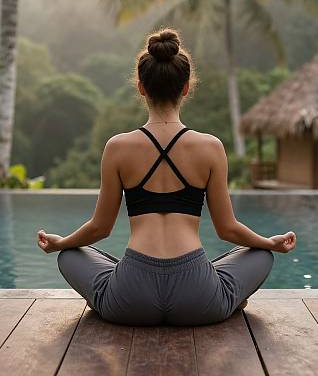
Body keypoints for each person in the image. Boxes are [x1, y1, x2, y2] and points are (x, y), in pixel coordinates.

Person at [37, 28, 296, 326]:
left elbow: (100, 228)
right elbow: (228, 230)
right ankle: (226, 299)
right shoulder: (210, 148)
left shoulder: (117, 148)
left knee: (70, 256)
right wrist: (269, 242)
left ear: (141, 87)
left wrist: (61, 243)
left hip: (131, 298)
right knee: (261, 255)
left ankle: (110, 298)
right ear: (186, 88)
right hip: (197, 298)